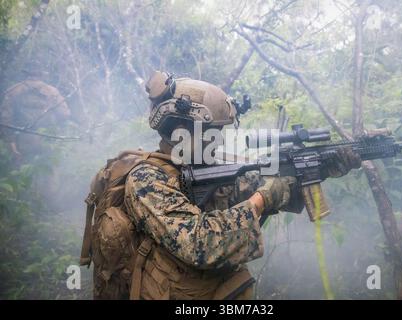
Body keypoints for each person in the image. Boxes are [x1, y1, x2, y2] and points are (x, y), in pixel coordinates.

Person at [119, 71, 362, 299]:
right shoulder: (146, 180)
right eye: (212, 131)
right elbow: (198, 243)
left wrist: (323, 164)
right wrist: (262, 199)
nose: (219, 139)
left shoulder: (208, 167)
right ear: (183, 130)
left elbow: (272, 180)